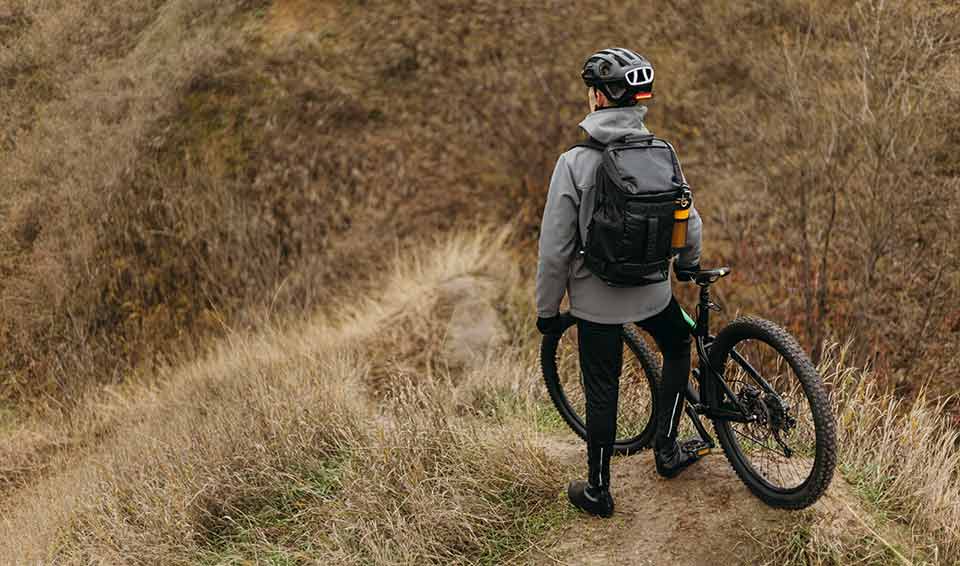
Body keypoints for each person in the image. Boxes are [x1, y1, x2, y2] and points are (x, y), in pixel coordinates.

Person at [535, 48, 704, 518]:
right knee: (677, 344)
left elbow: (554, 250)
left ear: (597, 97)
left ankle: (598, 491)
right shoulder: (661, 152)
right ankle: (667, 450)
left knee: (602, 387)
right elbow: (688, 221)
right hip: (653, 291)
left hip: (595, 302)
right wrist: (687, 265)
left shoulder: (573, 163)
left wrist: (548, 312)